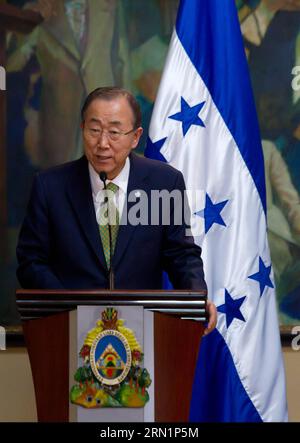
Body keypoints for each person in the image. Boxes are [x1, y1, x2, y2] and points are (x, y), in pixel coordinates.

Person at [16, 86, 217, 334]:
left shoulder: (164, 183)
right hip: (69, 331)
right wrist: (67, 307)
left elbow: (182, 255)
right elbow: (31, 262)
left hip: (143, 331)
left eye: (114, 132)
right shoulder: (50, 186)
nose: (102, 143)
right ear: (82, 129)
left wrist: (195, 299)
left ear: (135, 137)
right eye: (94, 130)